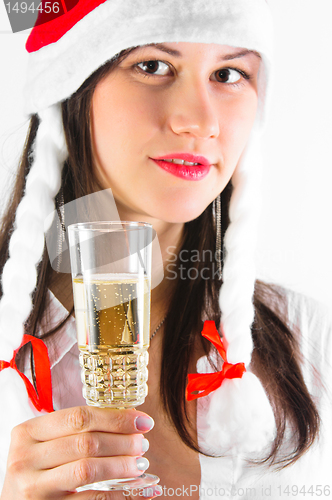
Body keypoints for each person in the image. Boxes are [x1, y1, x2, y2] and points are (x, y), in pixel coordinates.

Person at [0, 0, 331, 498]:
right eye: (152, 65)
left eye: (230, 73)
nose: (200, 121)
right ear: (70, 87)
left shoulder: (311, 343)